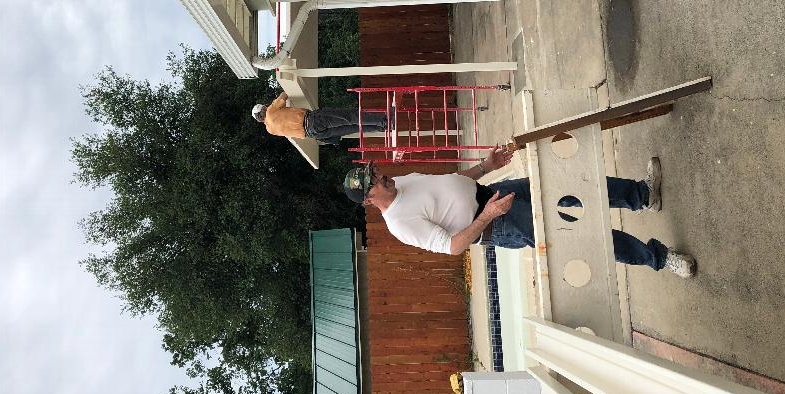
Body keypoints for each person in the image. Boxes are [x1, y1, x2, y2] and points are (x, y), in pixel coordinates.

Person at [342, 150, 697, 277]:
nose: (380, 176)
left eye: (374, 172)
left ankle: (643, 194)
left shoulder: (401, 183)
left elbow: (452, 183)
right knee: (581, 234)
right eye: (372, 182)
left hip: (492, 193)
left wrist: (485, 166)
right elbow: (451, 247)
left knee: (573, 186)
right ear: (368, 201)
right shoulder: (400, 224)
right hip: (497, 222)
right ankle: (660, 259)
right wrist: (488, 216)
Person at [252, 91, 388, 146]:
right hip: (312, 120)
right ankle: (383, 120)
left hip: (314, 134)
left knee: (351, 128)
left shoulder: (270, 130)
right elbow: (284, 95)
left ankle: (381, 126)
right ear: (263, 109)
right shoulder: (270, 111)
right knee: (349, 116)